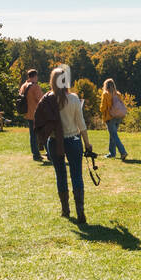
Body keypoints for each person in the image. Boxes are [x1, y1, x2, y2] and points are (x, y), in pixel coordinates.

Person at [41, 66, 95, 223]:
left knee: (60, 175)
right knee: (77, 174)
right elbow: (81, 124)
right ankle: (80, 212)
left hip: (54, 141)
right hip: (73, 140)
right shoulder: (73, 99)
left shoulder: (48, 99)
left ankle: (65, 210)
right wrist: (87, 143)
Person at [99, 78, 129, 160]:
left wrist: (101, 108)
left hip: (110, 117)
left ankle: (123, 152)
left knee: (114, 135)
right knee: (113, 135)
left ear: (105, 86)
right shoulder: (118, 94)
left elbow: (103, 108)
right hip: (118, 117)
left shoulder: (105, 94)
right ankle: (112, 153)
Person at [20, 69, 44, 161]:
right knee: (43, 133)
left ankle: (35, 153)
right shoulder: (35, 86)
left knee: (32, 135)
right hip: (36, 114)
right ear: (34, 76)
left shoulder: (24, 86)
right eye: (37, 76)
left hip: (27, 113)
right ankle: (47, 153)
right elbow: (41, 100)